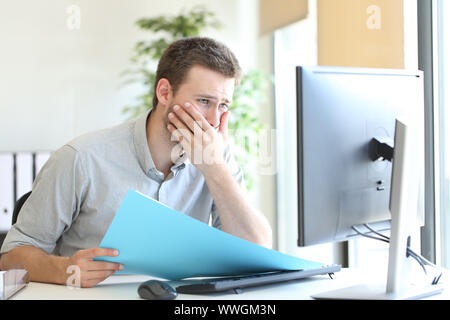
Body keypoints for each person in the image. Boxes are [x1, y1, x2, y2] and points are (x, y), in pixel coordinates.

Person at [0, 37, 272, 288]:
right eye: (204, 101)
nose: (213, 121)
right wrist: (65, 269)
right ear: (165, 93)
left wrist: (216, 171)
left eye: (223, 106)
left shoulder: (217, 159)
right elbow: (11, 256)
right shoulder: (81, 158)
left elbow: (258, 255)